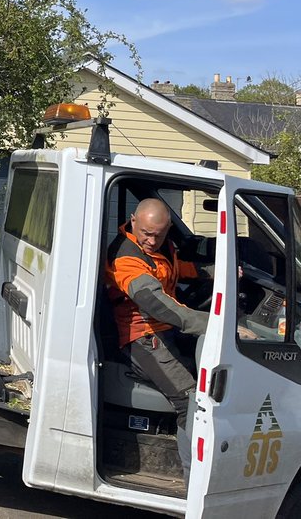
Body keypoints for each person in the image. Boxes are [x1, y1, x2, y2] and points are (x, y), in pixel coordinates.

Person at [105, 197, 210, 479]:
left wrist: (213, 273)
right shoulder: (125, 257)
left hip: (165, 329)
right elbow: (154, 303)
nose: (152, 241)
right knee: (191, 404)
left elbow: (176, 270)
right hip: (141, 336)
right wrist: (211, 324)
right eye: (146, 234)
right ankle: (194, 483)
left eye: (159, 235)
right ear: (133, 221)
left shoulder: (163, 248)